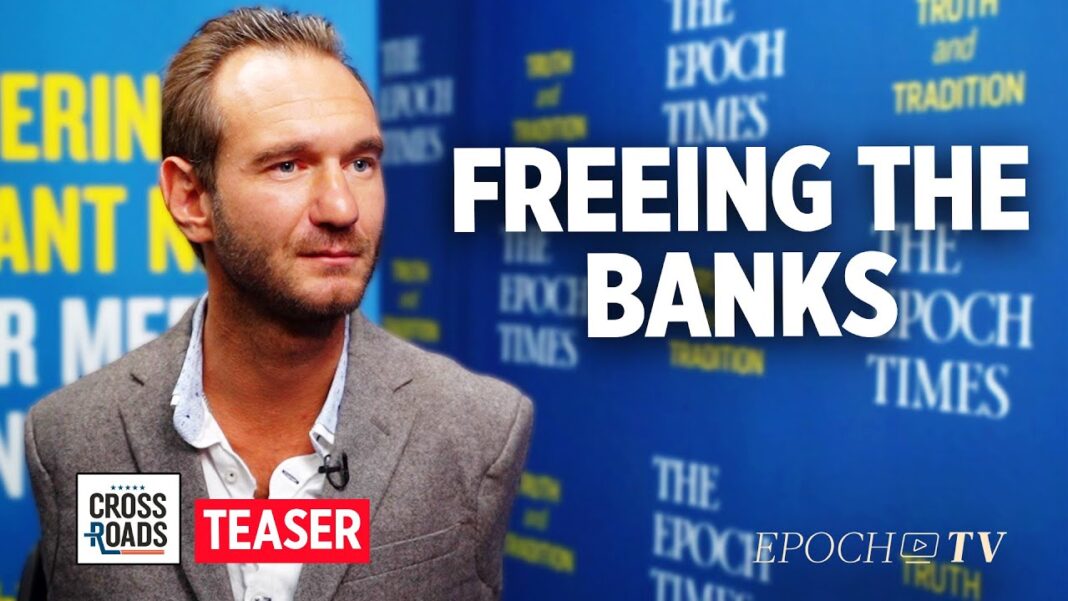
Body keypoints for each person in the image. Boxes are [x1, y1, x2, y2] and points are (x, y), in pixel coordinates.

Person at [24, 8, 533, 601]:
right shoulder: (73, 438)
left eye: (360, 163)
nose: (342, 207)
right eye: (288, 165)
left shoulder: (477, 430)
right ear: (191, 198)